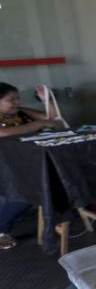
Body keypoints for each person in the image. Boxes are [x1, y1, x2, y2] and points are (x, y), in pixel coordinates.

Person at [0, 82, 65, 249]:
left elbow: (55, 121)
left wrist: (47, 100)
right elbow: (3, 133)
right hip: (6, 168)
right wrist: (38, 125)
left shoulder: (22, 113)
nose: (17, 102)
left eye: (18, 98)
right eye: (11, 99)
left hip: (26, 163)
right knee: (26, 192)